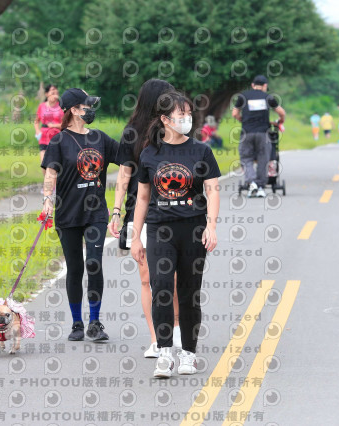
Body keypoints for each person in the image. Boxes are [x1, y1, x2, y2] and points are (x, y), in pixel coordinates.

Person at [131, 91, 220, 378]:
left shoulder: (201, 151)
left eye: (188, 114)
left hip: (193, 229)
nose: (187, 119)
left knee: (189, 292)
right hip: (160, 229)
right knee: (161, 289)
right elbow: (142, 198)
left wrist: (211, 226)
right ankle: (165, 353)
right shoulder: (150, 153)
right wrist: (135, 236)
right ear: (165, 119)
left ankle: (189, 355)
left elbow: (212, 191)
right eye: (181, 115)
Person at [108, 79, 183, 359]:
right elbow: (123, 175)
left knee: (172, 277)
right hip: (139, 213)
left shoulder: (172, 129)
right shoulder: (132, 133)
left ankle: (175, 328)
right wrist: (116, 211)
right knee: (147, 278)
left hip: (173, 210)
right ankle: (155, 339)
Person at [40, 88, 119, 341]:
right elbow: (50, 173)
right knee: (75, 268)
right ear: (74, 110)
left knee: (94, 263)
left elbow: (128, 157)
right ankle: (77, 323)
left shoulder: (100, 138)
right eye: (87, 105)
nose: (91, 109)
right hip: (68, 214)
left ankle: (94, 322)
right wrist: (47, 199)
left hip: (96, 213)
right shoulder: (59, 141)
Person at [232, 75, 286, 198]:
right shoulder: (268, 97)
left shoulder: (243, 96)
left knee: (246, 158)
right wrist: (280, 121)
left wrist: (242, 120)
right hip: (263, 133)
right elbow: (281, 112)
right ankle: (260, 186)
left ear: (253, 85)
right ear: (265, 85)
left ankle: (252, 183)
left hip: (247, 133)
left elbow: (234, 113)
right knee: (263, 159)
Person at [34, 84, 63, 175]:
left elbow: (66, 124)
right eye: (52, 90)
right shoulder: (42, 106)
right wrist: (37, 131)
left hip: (57, 137)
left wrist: (54, 125)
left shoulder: (61, 106)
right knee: (43, 163)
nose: (54, 92)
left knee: (56, 163)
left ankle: (56, 182)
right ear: (47, 94)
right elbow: (36, 121)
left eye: (56, 90)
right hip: (44, 137)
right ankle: (47, 181)